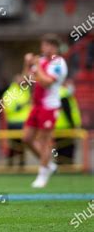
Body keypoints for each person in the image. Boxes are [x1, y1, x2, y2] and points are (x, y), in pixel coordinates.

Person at [22, 34, 68, 188]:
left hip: (50, 106)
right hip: (36, 105)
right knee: (27, 138)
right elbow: (26, 80)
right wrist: (27, 64)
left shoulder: (59, 63)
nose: (46, 48)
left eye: (49, 45)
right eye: (44, 45)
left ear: (55, 47)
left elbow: (47, 82)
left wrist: (37, 66)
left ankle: (42, 174)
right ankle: (48, 164)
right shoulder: (41, 60)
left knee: (44, 140)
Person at [3, 74, 31, 167]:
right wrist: (23, 104)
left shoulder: (25, 91)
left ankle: (21, 163)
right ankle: (10, 163)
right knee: (13, 145)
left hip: (25, 123)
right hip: (14, 123)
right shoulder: (10, 93)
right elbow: (10, 108)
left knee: (22, 144)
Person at [54, 79, 82, 164]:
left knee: (56, 148)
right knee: (67, 147)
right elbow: (67, 111)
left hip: (57, 126)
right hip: (65, 126)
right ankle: (67, 165)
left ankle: (57, 162)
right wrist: (73, 125)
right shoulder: (63, 93)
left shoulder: (61, 93)